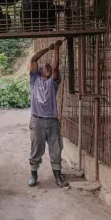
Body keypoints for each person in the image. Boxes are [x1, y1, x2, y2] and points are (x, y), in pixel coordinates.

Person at [28, 39, 69, 188]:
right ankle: (33, 174)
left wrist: (56, 49)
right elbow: (33, 59)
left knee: (56, 148)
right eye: (44, 66)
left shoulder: (53, 82)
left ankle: (58, 176)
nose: (47, 67)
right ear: (38, 71)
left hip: (52, 121)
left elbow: (56, 66)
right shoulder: (34, 80)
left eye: (49, 67)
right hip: (37, 120)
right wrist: (48, 48)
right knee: (36, 149)